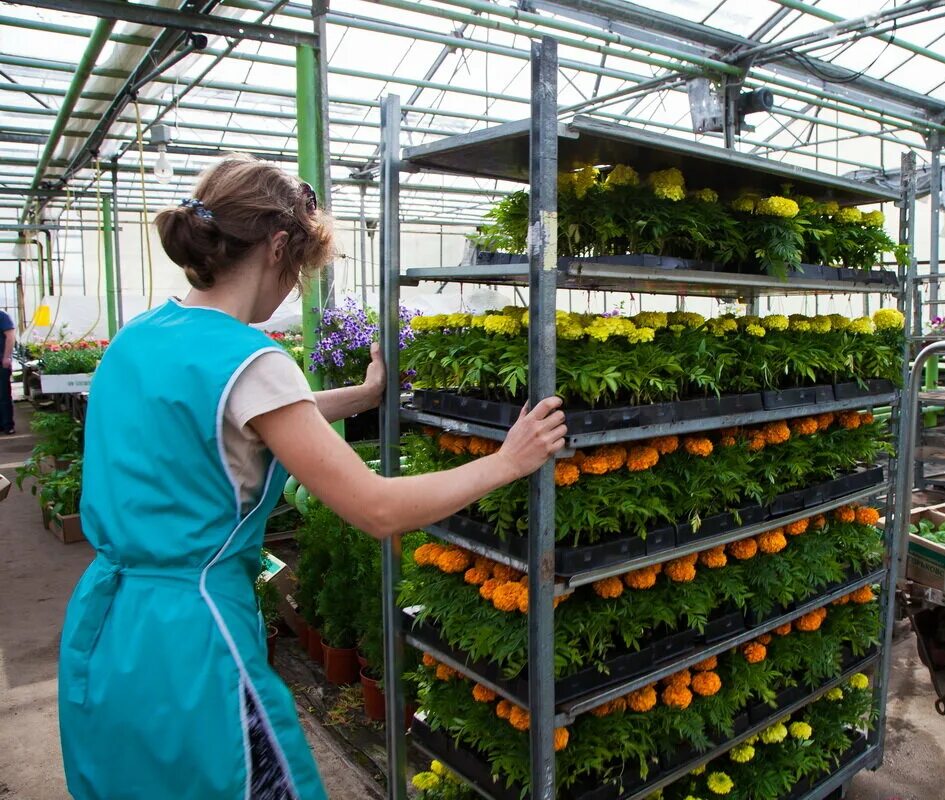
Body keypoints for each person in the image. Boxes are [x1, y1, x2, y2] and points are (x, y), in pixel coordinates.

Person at [58, 154, 566, 800]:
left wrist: (361, 395)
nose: (292, 289)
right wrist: (509, 460)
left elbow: (243, 419)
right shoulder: (251, 359)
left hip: (107, 631)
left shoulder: (137, 341)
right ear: (276, 248)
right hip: (194, 643)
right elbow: (377, 508)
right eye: (297, 272)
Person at [0, 307, 13, 434]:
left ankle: (7, 425)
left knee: (3, 394)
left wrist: (6, 357)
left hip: (1, 362)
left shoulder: (2, 315)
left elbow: (10, 336)